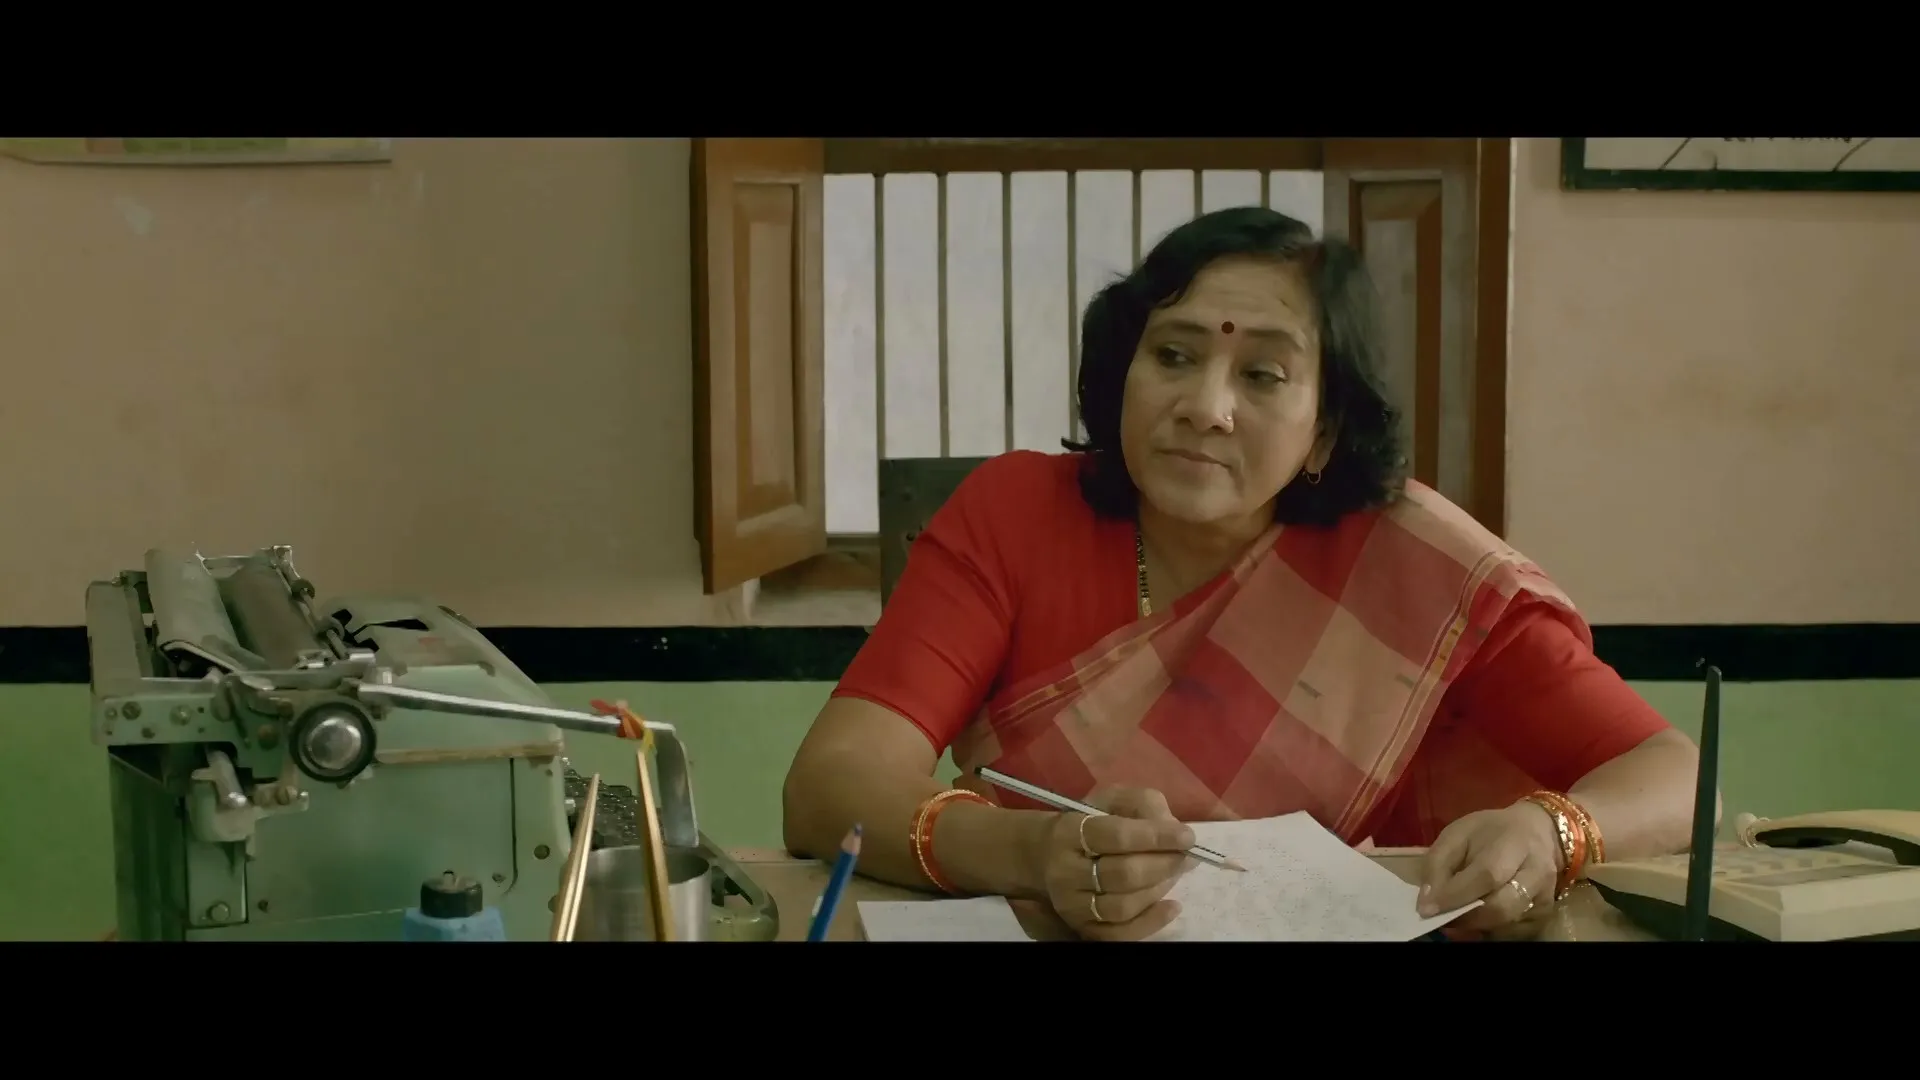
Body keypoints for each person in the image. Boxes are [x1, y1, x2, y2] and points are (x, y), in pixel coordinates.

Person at [782, 206, 1707, 941]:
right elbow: (832, 783)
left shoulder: (1411, 571)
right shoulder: (1016, 513)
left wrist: (1552, 833)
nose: (1205, 406)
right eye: (1174, 355)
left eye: (1262, 376)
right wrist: (1033, 851)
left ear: (1325, 432)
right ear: (1123, 372)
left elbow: (1675, 776)